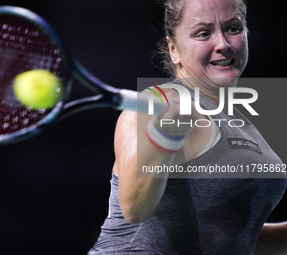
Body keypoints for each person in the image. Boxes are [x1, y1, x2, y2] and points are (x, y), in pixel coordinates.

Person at [88, 0, 287, 254]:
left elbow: (234, 239)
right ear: (174, 50)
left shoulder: (239, 121)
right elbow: (133, 208)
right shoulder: (158, 103)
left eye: (233, 28)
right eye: (204, 33)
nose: (223, 44)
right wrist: (166, 133)